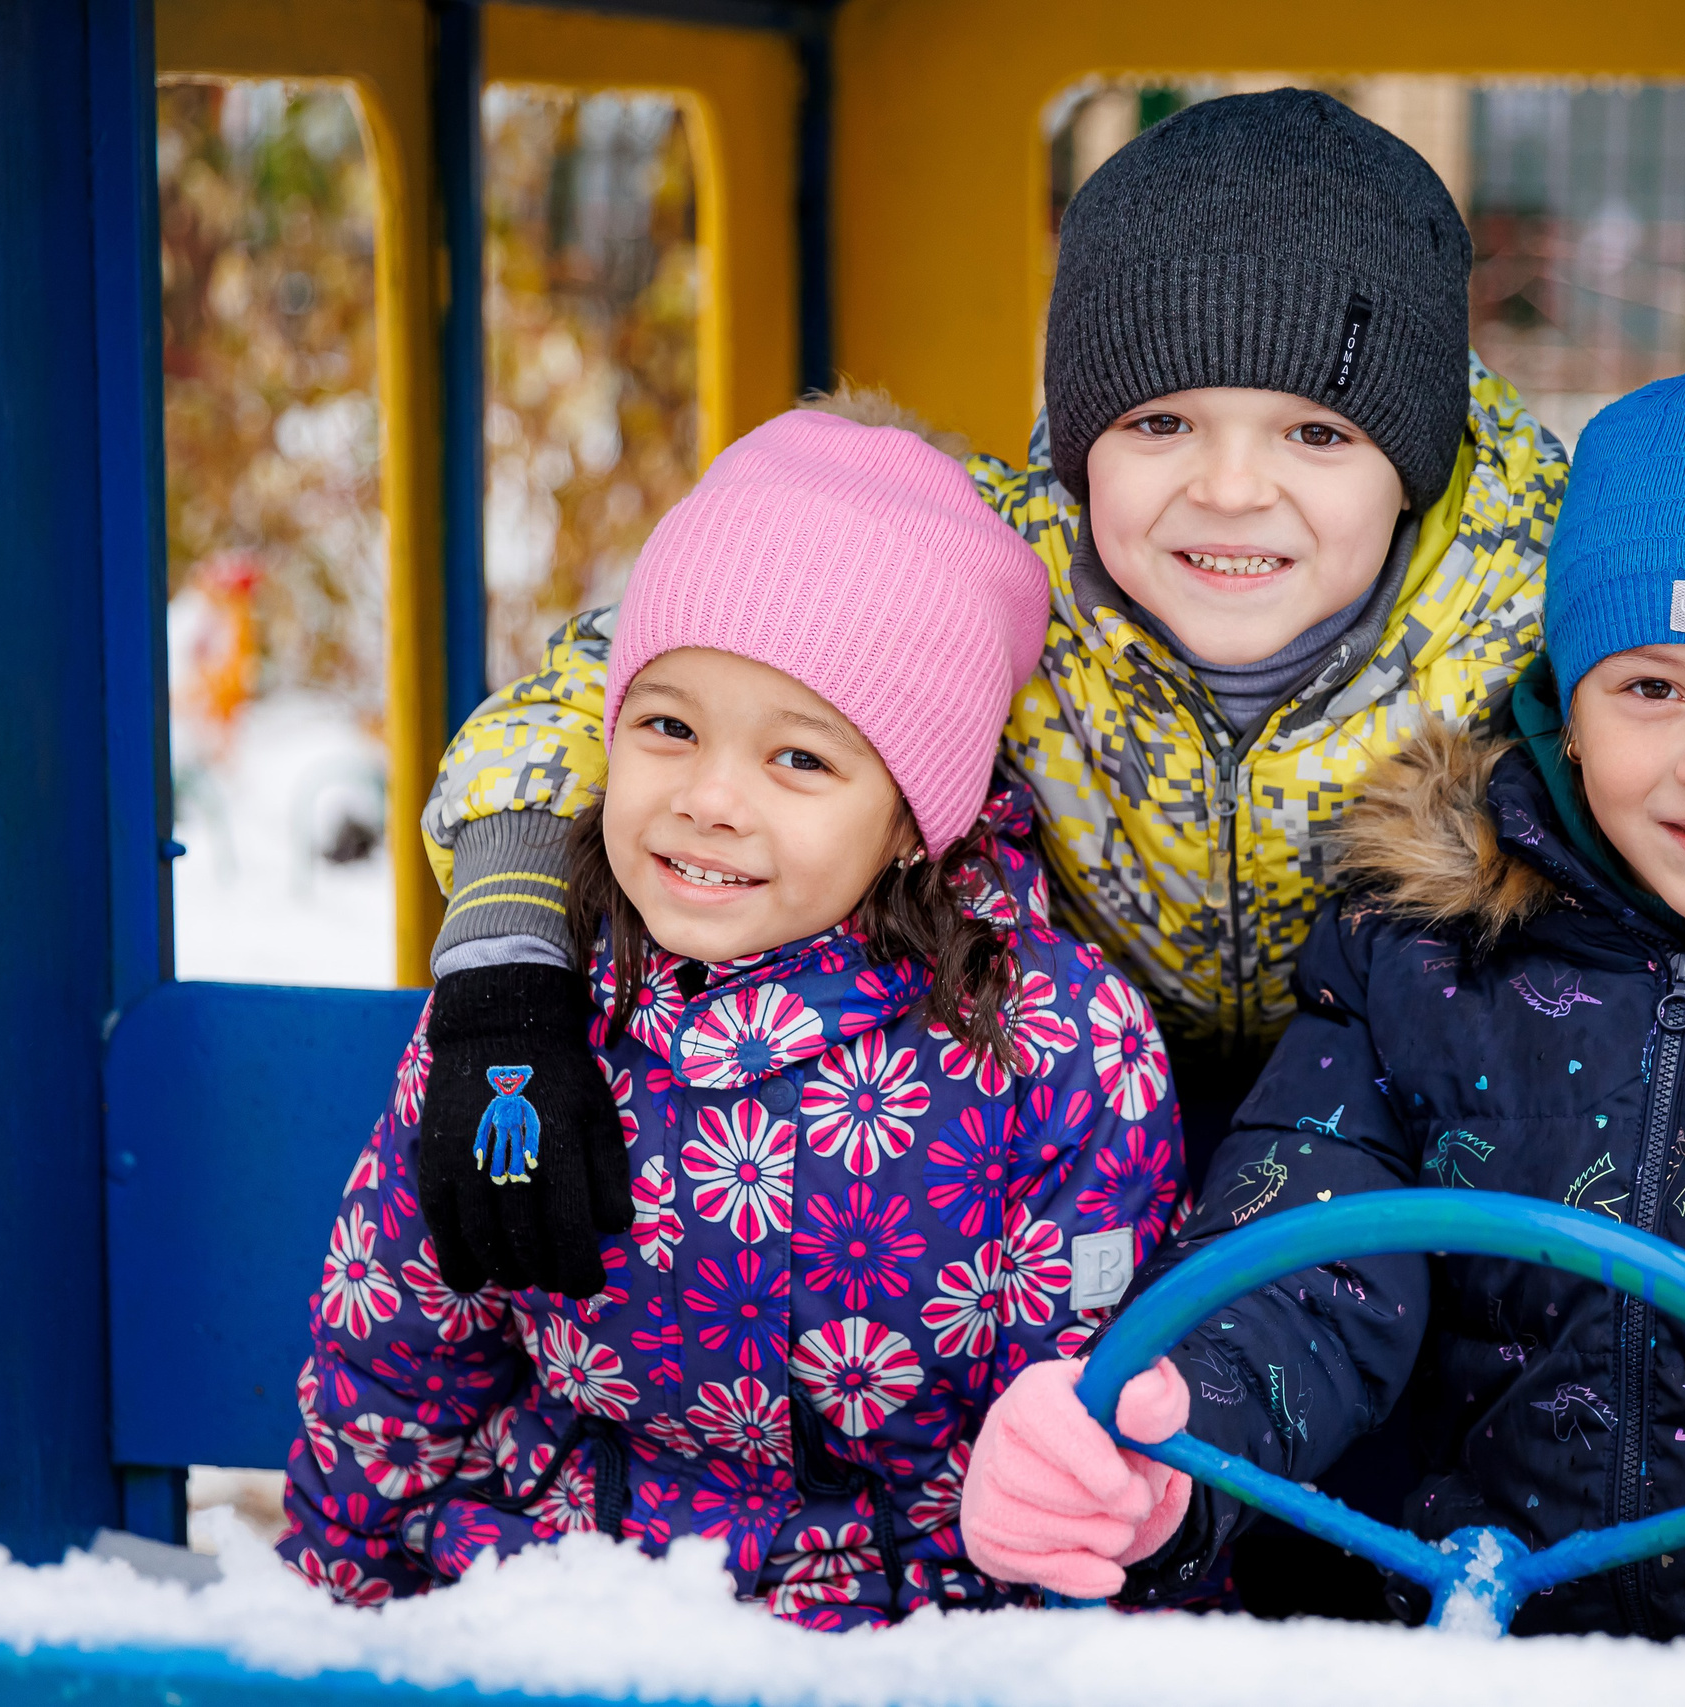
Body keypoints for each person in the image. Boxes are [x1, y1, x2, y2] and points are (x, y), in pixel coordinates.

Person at [405, 89, 1685, 1332]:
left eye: (1316, 434)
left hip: (1427, 1156)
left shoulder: (1538, 556)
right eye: (1159, 426)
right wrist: (504, 979)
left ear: (1402, 456)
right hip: (1070, 1163)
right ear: (1077, 430)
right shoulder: (981, 570)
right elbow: (602, 686)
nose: (1229, 495)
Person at [960, 295, 1685, 1654]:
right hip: (1463, 1631)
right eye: (1649, 686)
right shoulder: (1421, 943)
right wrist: (1172, 1429)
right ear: (1565, 705)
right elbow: (1300, 1246)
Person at [279, 405, 1187, 1626]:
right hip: (553, 1610)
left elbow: (1088, 1437)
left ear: (920, 814)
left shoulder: (1054, 1051)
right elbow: (398, 1345)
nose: (708, 798)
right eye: (667, 727)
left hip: (903, 1639)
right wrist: (334, 1612)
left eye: (799, 760)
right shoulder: (545, 1013)